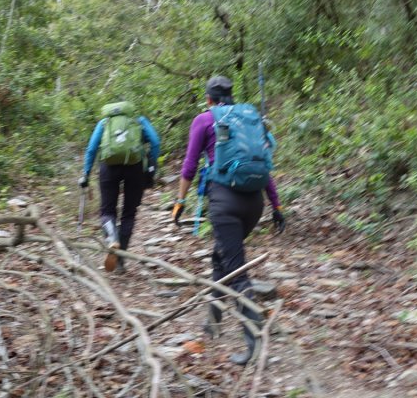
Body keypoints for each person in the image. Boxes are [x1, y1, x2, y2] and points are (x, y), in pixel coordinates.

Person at [173, 76, 285, 365]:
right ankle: (213, 322)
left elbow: (189, 165)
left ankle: (254, 345)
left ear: (208, 98)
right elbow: (265, 165)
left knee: (237, 272)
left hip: (225, 205)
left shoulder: (204, 120)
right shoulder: (249, 117)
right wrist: (276, 206)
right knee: (221, 258)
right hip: (254, 203)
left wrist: (180, 202)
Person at [79, 101, 160, 273]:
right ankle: (121, 261)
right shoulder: (138, 121)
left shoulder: (104, 123)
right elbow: (155, 141)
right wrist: (151, 166)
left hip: (108, 168)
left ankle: (111, 239)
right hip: (135, 168)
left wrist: (85, 174)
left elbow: (91, 149)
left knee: (107, 211)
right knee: (129, 213)